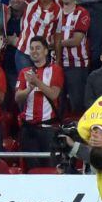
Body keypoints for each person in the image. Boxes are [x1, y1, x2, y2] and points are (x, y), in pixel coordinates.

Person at [15, 36, 64, 168]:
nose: (34, 51)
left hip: (49, 129)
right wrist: (28, 89)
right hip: (28, 129)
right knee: (32, 170)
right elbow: (17, 98)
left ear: (46, 51)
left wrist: (36, 82)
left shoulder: (56, 70)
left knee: (50, 168)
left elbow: (54, 94)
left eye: (38, 48)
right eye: (31, 48)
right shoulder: (24, 72)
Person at [55, 0, 91, 114]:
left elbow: (76, 40)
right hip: (56, 65)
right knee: (58, 104)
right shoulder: (55, 12)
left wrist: (55, 44)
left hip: (76, 65)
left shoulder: (82, 13)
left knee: (77, 103)